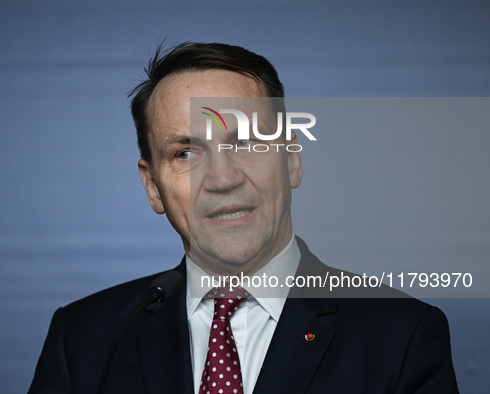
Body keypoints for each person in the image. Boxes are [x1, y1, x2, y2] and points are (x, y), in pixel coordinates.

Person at [28, 42, 459, 393]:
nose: (222, 178)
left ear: (291, 158)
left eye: (247, 142)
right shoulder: (84, 339)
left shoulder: (403, 337)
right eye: (186, 153)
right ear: (153, 187)